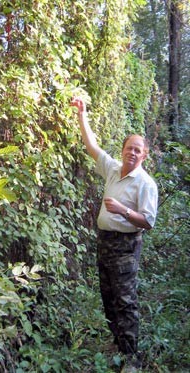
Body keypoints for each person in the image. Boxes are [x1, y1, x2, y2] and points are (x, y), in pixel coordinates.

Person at [70, 97, 158, 372]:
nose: (132, 153)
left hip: (126, 246)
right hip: (104, 242)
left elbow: (148, 221)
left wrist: (123, 211)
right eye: (129, 148)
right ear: (123, 150)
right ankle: (117, 344)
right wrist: (82, 115)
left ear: (144, 155)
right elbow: (91, 145)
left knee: (125, 299)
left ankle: (131, 358)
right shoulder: (112, 169)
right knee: (107, 295)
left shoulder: (145, 183)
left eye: (137, 150)